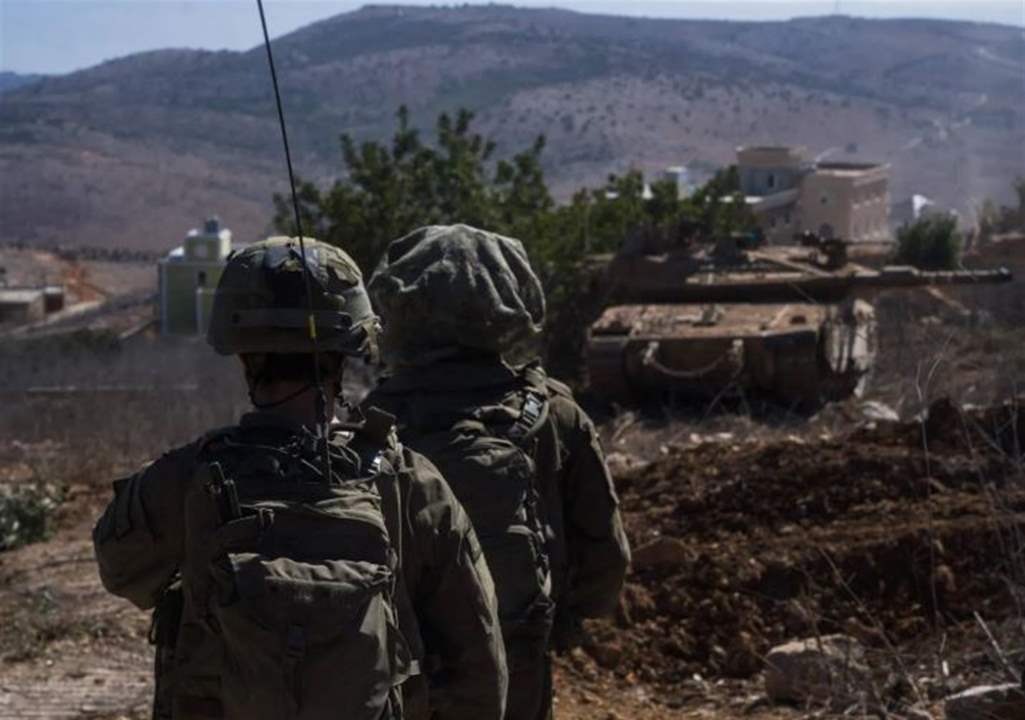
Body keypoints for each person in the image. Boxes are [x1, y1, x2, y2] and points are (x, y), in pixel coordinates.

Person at [92, 236, 507, 720]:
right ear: (347, 351)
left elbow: (120, 572)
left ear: (242, 354)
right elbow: (479, 667)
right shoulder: (412, 483)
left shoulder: (189, 477)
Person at [364, 224, 631, 720]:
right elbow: (606, 557)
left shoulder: (369, 422)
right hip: (518, 653)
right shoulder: (555, 415)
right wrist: (562, 622)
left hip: (399, 667)